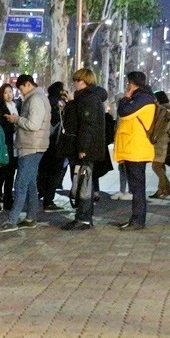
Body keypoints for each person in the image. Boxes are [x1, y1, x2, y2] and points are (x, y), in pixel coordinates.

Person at [0, 75, 51, 233]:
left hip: (32, 146)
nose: (20, 92)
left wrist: (16, 119)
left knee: (20, 185)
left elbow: (33, 124)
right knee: (30, 184)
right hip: (32, 146)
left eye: (21, 88)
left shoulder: (35, 99)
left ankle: (12, 221)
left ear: (28, 84)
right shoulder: (36, 98)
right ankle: (31, 218)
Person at [60, 68, 107, 230]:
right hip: (84, 147)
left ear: (84, 81)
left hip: (86, 149)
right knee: (82, 181)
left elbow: (87, 125)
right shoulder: (86, 98)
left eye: (77, 80)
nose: (74, 83)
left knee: (84, 182)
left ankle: (84, 218)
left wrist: (83, 147)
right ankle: (83, 216)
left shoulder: (89, 99)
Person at [113, 71, 155, 231]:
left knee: (137, 188)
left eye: (128, 82)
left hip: (136, 148)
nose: (127, 85)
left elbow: (124, 111)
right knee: (136, 187)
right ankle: (137, 219)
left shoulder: (143, 99)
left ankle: (138, 220)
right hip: (134, 148)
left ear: (133, 82)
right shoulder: (142, 97)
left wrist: (125, 97)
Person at [39, 81, 67, 212]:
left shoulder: (45, 101)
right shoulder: (60, 104)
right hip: (57, 142)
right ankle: (48, 200)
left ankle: (42, 193)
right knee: (55, 171)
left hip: (44, 141)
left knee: (43, 169)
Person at [0, 83, 20, 211]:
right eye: (5, 92)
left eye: (10, 91)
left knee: (11, 173)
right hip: (5, 143)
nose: (9, 94)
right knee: (2, 172)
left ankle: (8, 198)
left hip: (16, 144)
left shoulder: (17, 105)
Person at [149, 90, 170, 198]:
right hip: (163, 140)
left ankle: (167, 188)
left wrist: (155, 137)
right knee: (160, 166)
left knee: (156, 166)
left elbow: (163, 127)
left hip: (161, 141)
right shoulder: (166, 109)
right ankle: (161, 190)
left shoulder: (164, 110)